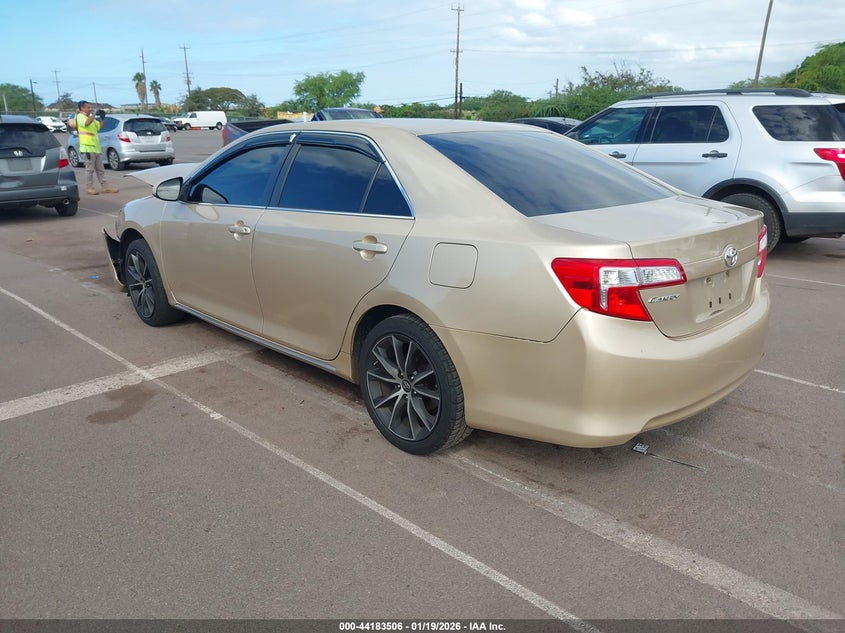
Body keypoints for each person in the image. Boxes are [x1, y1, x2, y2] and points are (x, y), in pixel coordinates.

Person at [75, 100, 118, 195]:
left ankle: (105, 187)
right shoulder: (80, 117)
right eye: (88, 107)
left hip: (95, 148)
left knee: (100, 169)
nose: (89, 109)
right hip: (87, 148)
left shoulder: (91, 118)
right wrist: (94, 114)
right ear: (82, 108)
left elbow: (100, 127)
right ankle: (89, 187)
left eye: (90, 107)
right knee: (89, 170)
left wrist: (102, 118)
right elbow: (86, 123)